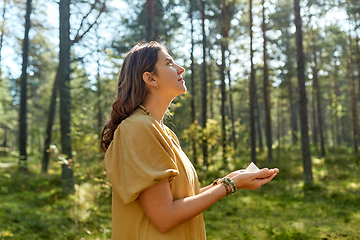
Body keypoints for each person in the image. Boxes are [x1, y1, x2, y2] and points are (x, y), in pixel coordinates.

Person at [100, 41, 279, 240]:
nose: (180, 68)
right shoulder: (137, 128)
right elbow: (164, 216)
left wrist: (229, 180)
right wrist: (231, 185)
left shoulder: (163, 132)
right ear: (150, 78)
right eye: (169, 63)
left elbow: (179, 201)